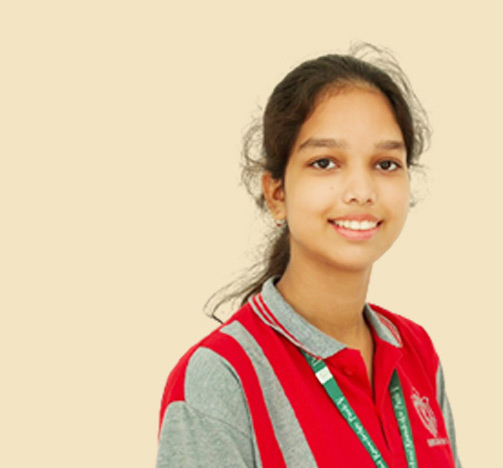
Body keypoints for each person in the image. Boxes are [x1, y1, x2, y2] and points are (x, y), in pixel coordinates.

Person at [156, 43, 463, 468]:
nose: (362, 191)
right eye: (325, 163)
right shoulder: (222, 377)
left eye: (385, 164)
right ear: (276, 193)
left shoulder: (415, 351)